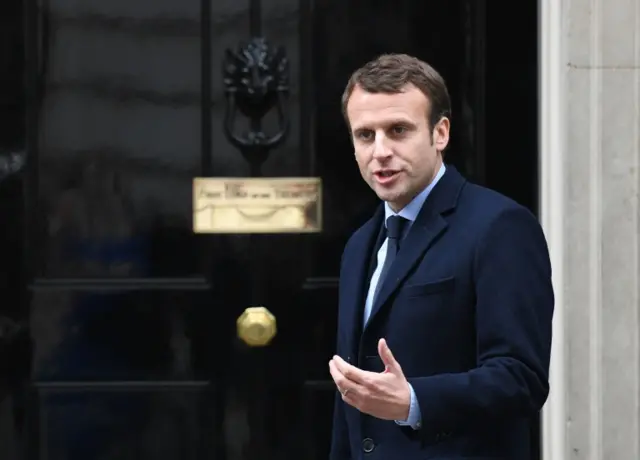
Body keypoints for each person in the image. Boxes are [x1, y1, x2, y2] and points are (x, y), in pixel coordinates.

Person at [328, 53, 554, 460]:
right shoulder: (359, 245)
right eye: (365, 135)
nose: (380, 151)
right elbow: (352, 401)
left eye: (398, 130)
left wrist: (414, 401)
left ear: (440, 133)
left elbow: (521, 378)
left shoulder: (500, 227)